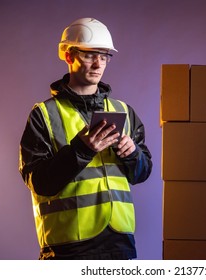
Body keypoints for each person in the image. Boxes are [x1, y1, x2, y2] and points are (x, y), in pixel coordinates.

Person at [18, 18, 153, 260]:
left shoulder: (124, 111)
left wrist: (132, 154)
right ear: (69, 56)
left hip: (119, 244)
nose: (99, 63)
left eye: (104, 56)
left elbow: (142, 173)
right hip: (68, 248)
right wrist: (81, 149)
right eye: (90, 55)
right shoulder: (44, 115)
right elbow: (39, 182)